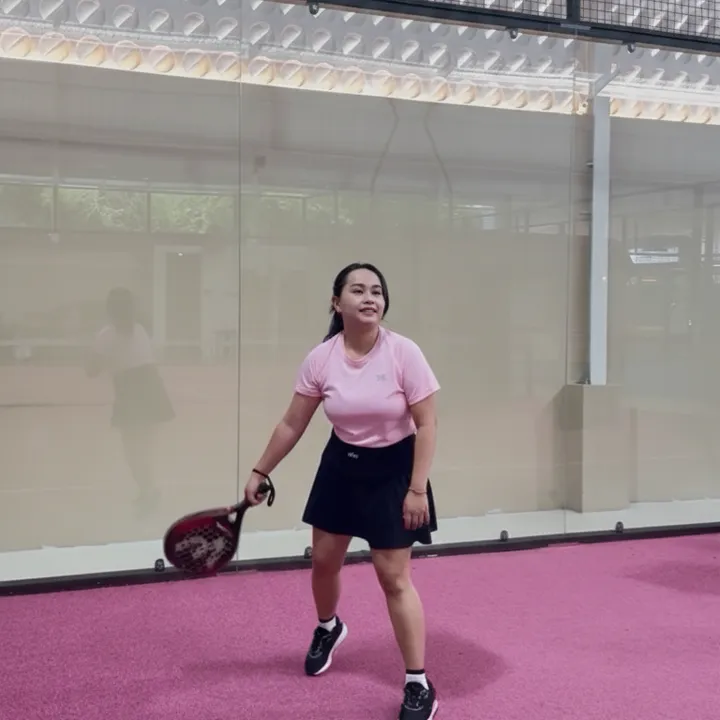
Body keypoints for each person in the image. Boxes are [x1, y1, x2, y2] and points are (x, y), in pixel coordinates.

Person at [244, 263, 440, 720]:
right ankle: (328, 627)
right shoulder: (322, 358)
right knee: (324, 561)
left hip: (394, 471)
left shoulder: (404, 352)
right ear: (337, 303)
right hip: (341, 467)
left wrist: (417, 489)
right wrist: (260, 470)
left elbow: (428, 424)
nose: (370, 298)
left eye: (377, 291)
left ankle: (418, 683)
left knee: (393, 578)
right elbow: (292, 423)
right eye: (358, 290)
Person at [86, 287, 174, 512]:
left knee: (133, 450)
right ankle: (148, 489)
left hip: (131, 392)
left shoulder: (107, 335)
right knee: (142, 447)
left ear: (110, 310)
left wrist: (94, 353)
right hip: (151, 388)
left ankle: (148, 491)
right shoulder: (140, 330)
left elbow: (91, 370)